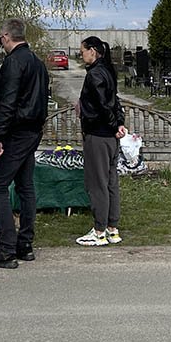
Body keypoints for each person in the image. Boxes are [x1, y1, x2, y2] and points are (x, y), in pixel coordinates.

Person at [0, 17, 48, 269]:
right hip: (33, 130)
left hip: (15, 132)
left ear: (7, 37)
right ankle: (25, 243)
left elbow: (8, 102)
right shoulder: (37, 63)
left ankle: (6, 248)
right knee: (25, 187)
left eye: (0, 38)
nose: (0, 42)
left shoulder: (13, 63)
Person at [75, 36, 127, 247]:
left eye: (83, 51)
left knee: (97, 184)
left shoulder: (95, 75)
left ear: (93, 51)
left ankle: (99, 231)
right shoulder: (107, 71)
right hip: (110, 137)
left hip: (98, 135)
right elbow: (115, 100)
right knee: (110, 181)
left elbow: (104, 105)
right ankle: (112, 228)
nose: (81, 54)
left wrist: (114, 125)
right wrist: (119, 124)